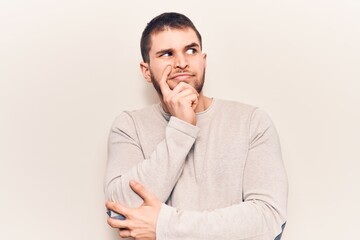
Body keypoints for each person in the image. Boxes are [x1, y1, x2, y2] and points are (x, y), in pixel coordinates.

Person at [104, 12, 288, 240]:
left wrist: (165, 226)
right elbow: (120, 212)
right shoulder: (128, 127)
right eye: (166, 54)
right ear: (146, 70)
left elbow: (268, 219)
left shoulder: (252, 121)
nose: (181, 63)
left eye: (191, 50)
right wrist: (181, 127)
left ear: (203, 60)